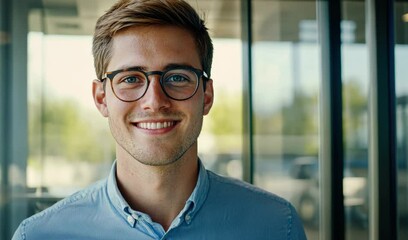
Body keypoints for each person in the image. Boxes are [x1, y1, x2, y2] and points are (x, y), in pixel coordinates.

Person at [13, 0, 307, 239]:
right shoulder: (41, 234)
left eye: (177, 77)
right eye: (130, 78)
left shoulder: (277, 226)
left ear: (206, 95)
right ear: (102, 98)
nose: (154, 101)